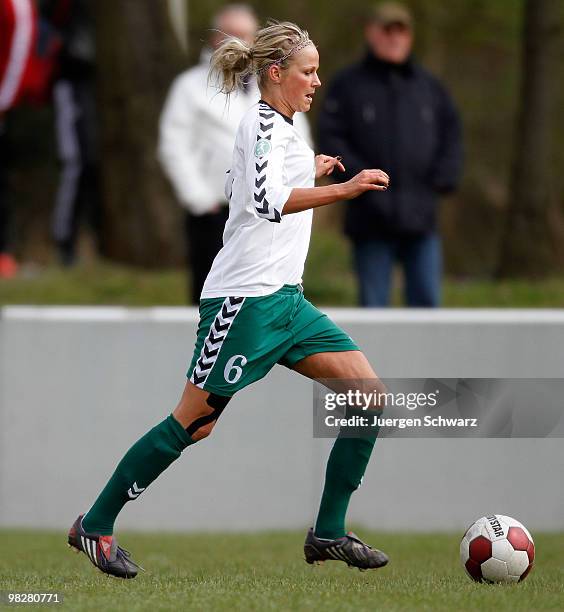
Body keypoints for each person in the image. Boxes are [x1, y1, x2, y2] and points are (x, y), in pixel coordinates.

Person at [68, 21, 391, 579]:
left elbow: (239, 187)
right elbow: (266, 202)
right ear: (275, 73)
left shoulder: (285, 130)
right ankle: (94, 527)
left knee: (368, 397)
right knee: (193, 424)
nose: (317, 81)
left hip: (287, 303)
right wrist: (345, 187)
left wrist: (308, 169)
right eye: (307, 71)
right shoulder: (261, 124)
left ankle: (330, 531)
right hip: (243, 304)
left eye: (316, 70)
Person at [158, 5, 312, 304]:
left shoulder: (276, 85)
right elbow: (173, 145)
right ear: (217, 39)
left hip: (267, 211)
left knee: (267, 294)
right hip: (215, 211)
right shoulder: (191, 86)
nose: (240, 42)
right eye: (232, 35)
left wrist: (296, 188)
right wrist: (200, 199)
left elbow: (298, 141)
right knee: (213, 295)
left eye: (246, 35)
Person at [318, 2, 463, 307]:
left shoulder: (429, 86)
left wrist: (443, 177)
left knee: (427, 304)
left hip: (422, 219)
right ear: (371, 33)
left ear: (410, 36)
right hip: (370, 219)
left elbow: (452, 134)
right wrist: (363, 183)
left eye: (401, 31)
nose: (395, 38)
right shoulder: (348, 85)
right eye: (387, 30)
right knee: (373, 307)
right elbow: (332, 139)